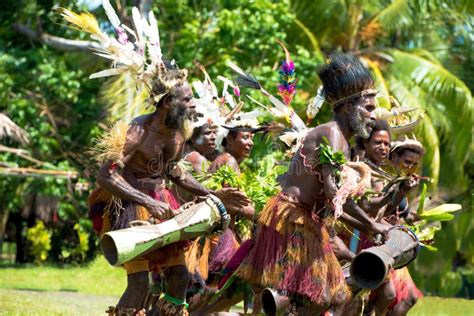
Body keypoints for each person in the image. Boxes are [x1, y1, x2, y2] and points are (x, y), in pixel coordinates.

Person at [60, 4, 251, 314]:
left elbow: (174, 171)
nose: (193, 105)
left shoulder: (179, 132)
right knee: (137, 284)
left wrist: (211, 194)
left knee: (180, 277)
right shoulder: (136, 131)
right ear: (166, 103)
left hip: (161, 204)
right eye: (187, 99)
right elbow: (105, 176)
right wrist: (146, 202)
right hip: (128, 207)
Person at [234, 53, 389, 314]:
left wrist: (370, 225)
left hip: (308, 222)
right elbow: (335, 195)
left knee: (333, 297)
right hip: (292, 221)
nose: (374, 116)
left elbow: (336, 202)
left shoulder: (343, 143)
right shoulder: (331, 133)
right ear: (349, 107)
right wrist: (371, 224)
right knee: (321, 295)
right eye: (369, 108)